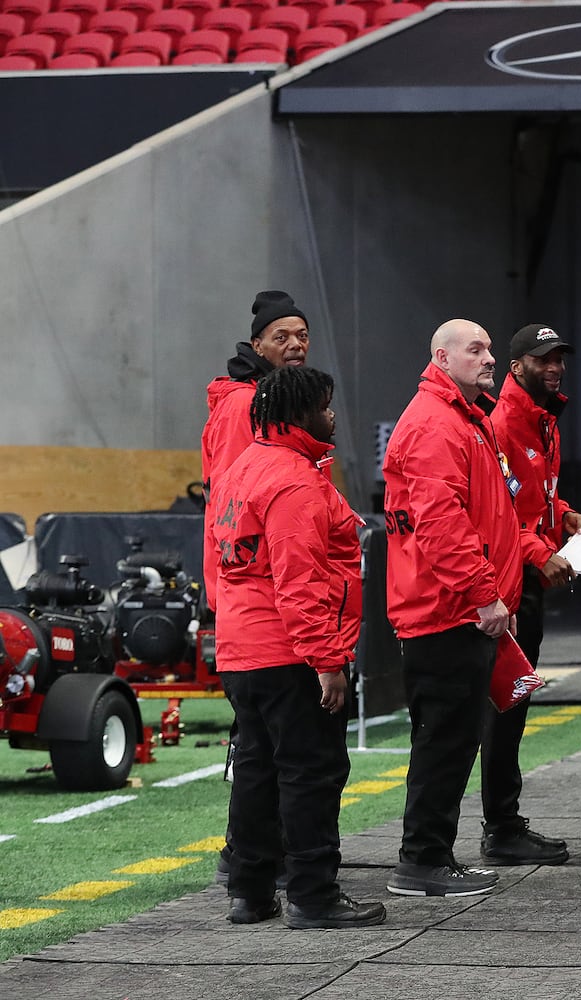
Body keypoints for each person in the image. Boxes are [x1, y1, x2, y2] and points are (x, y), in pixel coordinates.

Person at [211, 366, 385, 929]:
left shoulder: (241, 468)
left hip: (241, 648)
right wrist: (327, 661)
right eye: (325, 406)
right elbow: (300, 582)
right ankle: (314, 896)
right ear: (298, 414)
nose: (332, 416)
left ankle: (250, 891)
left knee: (257, 771)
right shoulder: (294, 482)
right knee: (311, 771)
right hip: (288, 651)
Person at [382, 319, 523, 899]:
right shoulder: (438, 424)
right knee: (445, 740)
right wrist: (482, 595)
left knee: (451, 739)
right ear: (442, 357)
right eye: (476, 349)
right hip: (447, 612)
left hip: (452, 608)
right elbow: (442, 524)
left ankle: (430, 855)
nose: (489, 358)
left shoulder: (463, 418)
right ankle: (422, 861)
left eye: (490, 348)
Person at [200, 289, 312, 885]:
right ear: (257, 344)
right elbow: (247, 507)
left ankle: (251, 859)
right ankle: (252, 858)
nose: (294, 345)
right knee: (275, 747)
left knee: (262, 744)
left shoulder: (254, 401)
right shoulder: (250, 411)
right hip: (257, 597)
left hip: (246, 592)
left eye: (302, 335)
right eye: (282, 336)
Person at [480, 323, 581, 865]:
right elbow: (498, 514)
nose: (555, 366)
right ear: (516, 366)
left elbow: (534, 498)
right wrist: (540, 553)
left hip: (523, 585)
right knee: (505, 706)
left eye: (559, 358)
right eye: (544, 359)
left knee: (513, 705)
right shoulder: (502, 424)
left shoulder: (543, 422)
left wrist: (564, 516)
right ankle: (499, 829)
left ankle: (503, 823)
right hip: (506, 589)